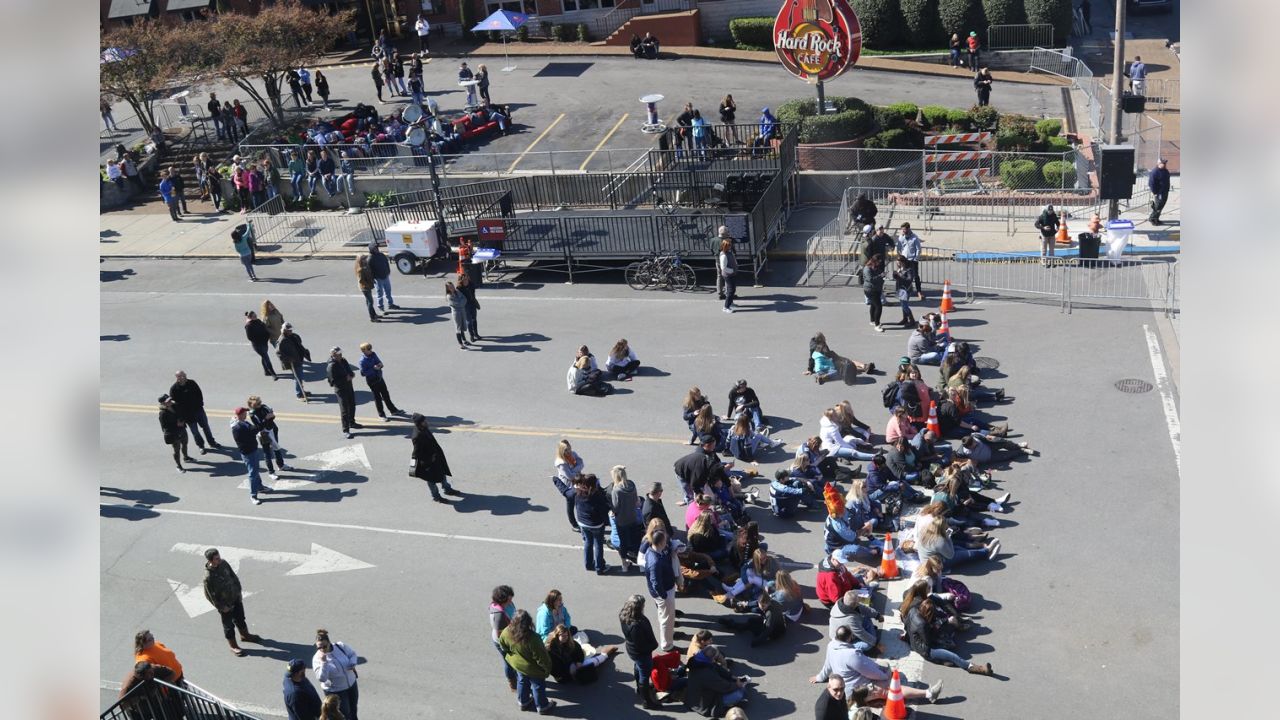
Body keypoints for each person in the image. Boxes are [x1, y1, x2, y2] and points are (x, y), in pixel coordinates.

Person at [811, 625, 943, 702]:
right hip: (855, 691)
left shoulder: (831, 645)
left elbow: (827, 665)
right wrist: (886, 676)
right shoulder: (851, 655)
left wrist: (819, 677)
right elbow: (870, 672)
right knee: (891, 687)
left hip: (849, 683)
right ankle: (928, 694)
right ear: (849, 637)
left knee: (886, 672)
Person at [906, 596, 993, 675]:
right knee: (952, 654)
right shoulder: (923, 625)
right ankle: (977, 668)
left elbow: (907, 625)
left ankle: (942, 660)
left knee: (948, 631)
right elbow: (928, 641)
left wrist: (906, 637)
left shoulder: (913, 610)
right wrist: (936, 627)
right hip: (926, 650)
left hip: (914, 642)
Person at [202, 547, 262, 654]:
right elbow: (209, 595)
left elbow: (233, 577)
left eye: (219, 556)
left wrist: (239, 591)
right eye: (216, 558)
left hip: (235, 598)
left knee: (240, 618)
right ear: (210, 560)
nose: (219, 559)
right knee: (228, 626)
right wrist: (221, 607)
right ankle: (233, 646)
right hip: (225, 605)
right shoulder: (208, 577)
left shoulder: (223, 564)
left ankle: (245, 635)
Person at [499, 610, 557, 714]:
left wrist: (512, 655)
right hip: (533, 669)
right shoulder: (533, 638)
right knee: (537, 686)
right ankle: (542, 706)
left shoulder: (506, 631)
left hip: (518, 665)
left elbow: (503, 646)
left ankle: (523, 702)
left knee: (522, 681)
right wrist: (546, 670)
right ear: (528, 622)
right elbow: (542, 658)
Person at [554, 474, 613, 574]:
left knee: (587, 543)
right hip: (597, 524)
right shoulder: (598, 495)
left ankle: (588, 564)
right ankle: (600, 568)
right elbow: (604, 509)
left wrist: (556, 480)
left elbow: (564, 491)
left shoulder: (576, 492)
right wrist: (607, 521)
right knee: (598, 545)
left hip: (583, 523)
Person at [641, 526, 683, 652]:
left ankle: (669, 636)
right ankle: (667, 645)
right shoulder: (655, 561)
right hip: (664, 592)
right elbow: (655, 582)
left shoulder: (655, 550)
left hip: (666, 589)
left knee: (666, 616)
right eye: (665, 540)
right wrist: (663, 596)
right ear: (660, 542)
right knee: (667, 618)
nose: (667, 542)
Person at [619, 594, 662, 709]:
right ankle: (647, 701)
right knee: (644, 674)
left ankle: (640, 688)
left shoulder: (623, 614)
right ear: (639, 607)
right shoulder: (636, 625)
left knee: (638, 667)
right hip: (641, 653)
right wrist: (654, 645)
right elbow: (641, 646)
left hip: (632, 650)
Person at [685, 644, 748, 716]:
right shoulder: (707, 674)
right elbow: (724, 687)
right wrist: (737, 685)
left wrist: (731, 676)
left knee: (737, 686)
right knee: (739, 693)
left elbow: (717, 668)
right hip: (703, 704)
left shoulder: (699, 660)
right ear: (713, 658)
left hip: (697, 695)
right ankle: (725, 708)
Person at [410, 413, 459, 503]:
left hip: (435, 457)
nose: (426, 422)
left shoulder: (424, 428)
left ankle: (447, 489)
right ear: (419, 423)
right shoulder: (417, 436)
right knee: (431, 480)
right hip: (428, 462)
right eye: (424, 421)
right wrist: (413, 468)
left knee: (442, 473)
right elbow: (416, 453)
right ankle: (436, 496)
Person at [545, 624, 618, 684]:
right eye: (563, 636)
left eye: (567, 636)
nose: (565, 638)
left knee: (592, 663)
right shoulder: (550, 649)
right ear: (557, 636)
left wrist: (579, 662)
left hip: (573, 664)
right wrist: (569, 671)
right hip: (562, 674)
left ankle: (604, 655)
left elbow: (579, 652)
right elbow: (553, 668)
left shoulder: (570, 642)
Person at [313, 629, 359, 720]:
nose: (322, 649)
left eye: (324, 646)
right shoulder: (317, 659)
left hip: (351, 684)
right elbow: (322, 678)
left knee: (353, 709)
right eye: (319, 647)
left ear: (329, 642)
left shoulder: (340, 646)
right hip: (337, 691)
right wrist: (324, 663)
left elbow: (352, 654)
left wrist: (352, 663)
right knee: (345, 714)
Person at [718, 588, 787, 647]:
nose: (762, 607)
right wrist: (746, 604)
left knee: (751, 625)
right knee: (752, 619)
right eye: (761, 605)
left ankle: (733, 625)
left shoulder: (770, 613)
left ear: (768, 603)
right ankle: (738, 619)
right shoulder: (770, 601)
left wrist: (756, 642)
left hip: (774, 632)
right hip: (772, 623)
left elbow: (767, 630)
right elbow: (756, 602)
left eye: (763, 606)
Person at [169, 371, 219, 452]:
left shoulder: (192, 383)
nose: (183, 377)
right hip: (188, 415)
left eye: (184, 375)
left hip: (199, 410)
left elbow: (199, 393)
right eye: (180, 376)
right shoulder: (174, 389)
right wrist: (180, 416)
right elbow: (174, 404)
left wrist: (200, 404)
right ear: (177, 378)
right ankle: (201, 446)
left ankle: (212, 442)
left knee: (206, 427)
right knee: (195, 431)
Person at [229, 407, 270, 505]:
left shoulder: (243, 423)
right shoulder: (239, 427)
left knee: (255, 470)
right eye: (244, 413)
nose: (246, 414)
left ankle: (260, 487)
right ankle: (253, 495)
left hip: (252, 450)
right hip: (248, 452)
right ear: (241, 415)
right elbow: (254, 430)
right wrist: (265, 420)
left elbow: (253, 430)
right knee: (252, 473)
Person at [609, 465, 643, 572]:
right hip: (632, 517)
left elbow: (615, 507)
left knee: (623, 542)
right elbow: (636, 501)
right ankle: (641, 563)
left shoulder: (616, 490)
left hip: (622, 520)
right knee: (636, 540)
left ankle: (624, 564)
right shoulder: (631, 485)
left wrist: (612, 512)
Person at [356, 342, 401, 420]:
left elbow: (379, 362)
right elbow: (363, 373)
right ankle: (381, 414)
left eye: (370, 348)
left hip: (379, 377)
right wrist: (374, 369)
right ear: (364, 351)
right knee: (378, 398)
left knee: (386, 394)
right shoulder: (362, 361)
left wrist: (380, 365)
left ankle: (393, 410)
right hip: (372, 381)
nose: (371, 350)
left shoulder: (373, 354)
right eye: (369, 349)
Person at [488, 585, 519, 692]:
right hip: (504, 642)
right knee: (509, 662)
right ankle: (512, 683)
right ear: (502, 600)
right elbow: (501, 635)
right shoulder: (499, 615)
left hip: (513, 635)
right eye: (509, 599)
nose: (511, 601)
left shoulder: (508, 604)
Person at [326, 348, 361, 439]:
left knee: (352, 404)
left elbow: (348, 370)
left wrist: (352, 374)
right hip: (341, 389)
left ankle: (352, 422)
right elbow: (332, 382)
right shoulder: (331, 366)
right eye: (338, 354)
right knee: (344, 410)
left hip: (349, 386)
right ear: (333, 355)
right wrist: (345, 379)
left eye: (341, 353)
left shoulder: (343, 360)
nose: (341, 355)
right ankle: (346, 430)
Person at [554, 438, 586, 532]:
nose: (568, 451)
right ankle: (574, 524)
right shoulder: (561, 462)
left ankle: (582, 521)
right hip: (568, 486)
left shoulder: (573, 454)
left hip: (577, 481)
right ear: (561, 451)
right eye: (565, 450)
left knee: (580, 503)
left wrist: (574, 470)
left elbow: (581, 463)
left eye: (569, 448)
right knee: (571, 503)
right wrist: (577, 470)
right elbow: (570, 476)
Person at [157, 393, 192, 473]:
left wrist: (182, 420)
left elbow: (182, 414)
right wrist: (176, 424)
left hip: (182, 429)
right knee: (176, 450)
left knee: (185, 443)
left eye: (170, 399)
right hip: (174, 433)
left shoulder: (175, 406)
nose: (170, 401)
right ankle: (178, 465)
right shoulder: (163, 414)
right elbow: (164, 427)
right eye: (168, 401)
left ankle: (186, 457)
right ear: (163, 403)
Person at [277, 324, 311, 400]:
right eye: (289, 330)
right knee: (298, 378)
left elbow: (299, 343)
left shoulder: (293, 336)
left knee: (300, 377)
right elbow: (279, 354)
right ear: (284, 330)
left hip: (298, 359)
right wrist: (288, 359)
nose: (291, 331)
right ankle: (299, 394)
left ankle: (301, 391)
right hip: (293, 362)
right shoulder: (282, 340)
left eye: (291, 330)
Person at [859, 254, 886, 331]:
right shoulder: (867, 269)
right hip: (870, 290)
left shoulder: (875, 267)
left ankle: (872, 320)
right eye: (878, 261)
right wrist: (880, 276)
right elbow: (870, 279)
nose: (879, 263)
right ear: (874, 261)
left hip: (876, 289)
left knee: (873, 305)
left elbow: (878, 274)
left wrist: (882, 275)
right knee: (879, 306)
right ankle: (877, 325)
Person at [457, 272, 482, 341]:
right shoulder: (459, 288)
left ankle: (476, 334)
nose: (466, 280)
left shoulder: (471, 284)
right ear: (461, 280)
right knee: (469, 321)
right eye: (464, 279)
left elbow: (473, 295)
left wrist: (475, 301)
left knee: (474, 319)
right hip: (465, 306)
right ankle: (472, 335)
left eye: (467, 278)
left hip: (472, 304)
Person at [353, 256, 378, 323]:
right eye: (364, 259)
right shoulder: (360, 269)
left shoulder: (366, 266)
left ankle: (374, 314)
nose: (366, 260)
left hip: (368, 286)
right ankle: (372, 317)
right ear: (361, 260)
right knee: (370, 302)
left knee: (369, 301)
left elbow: (369, 274)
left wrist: (372, 280)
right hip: (365, 288)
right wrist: (368, 285)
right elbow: (361, 281)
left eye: (365, 259)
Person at [1148, 159, 1171, 225]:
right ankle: (1152, 219)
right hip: (1159, 193)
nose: (1165, 164)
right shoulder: (1155, 172)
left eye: (1165, 163)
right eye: (1163, 163)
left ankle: (1156, 218)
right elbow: (1151, 184)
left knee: (1161, 206)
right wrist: (1155, 193)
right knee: (1158, 206)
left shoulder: (1165, 170)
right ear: (1159, 163)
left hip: (1165, 191)